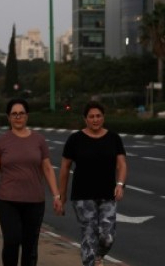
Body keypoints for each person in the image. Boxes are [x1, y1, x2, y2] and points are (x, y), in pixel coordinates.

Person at [0, 98, 62, 266]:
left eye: (21, 113)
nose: (18, 117)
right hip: (8, 201)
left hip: (35, 202)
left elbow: (47, 169)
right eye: (14, 114)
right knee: (12, 241)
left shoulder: (39, 140)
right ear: (8, 118)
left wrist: (56, 195)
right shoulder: (1, 142)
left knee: (30, 246)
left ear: (27, 116)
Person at [58, 101, 128, 266]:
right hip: (83, 196)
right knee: (89, 236)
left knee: (107, 237)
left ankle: (98, 256)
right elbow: (64, 168)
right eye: (91, 117)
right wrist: (62, 196)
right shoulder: (75, 139)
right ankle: (91, 260)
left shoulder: (113, 138)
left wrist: (120, 184)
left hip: (107, 195)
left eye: (98, 116)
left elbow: (122, 164)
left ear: (103, 118)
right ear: (85, 119)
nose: (95, 120)